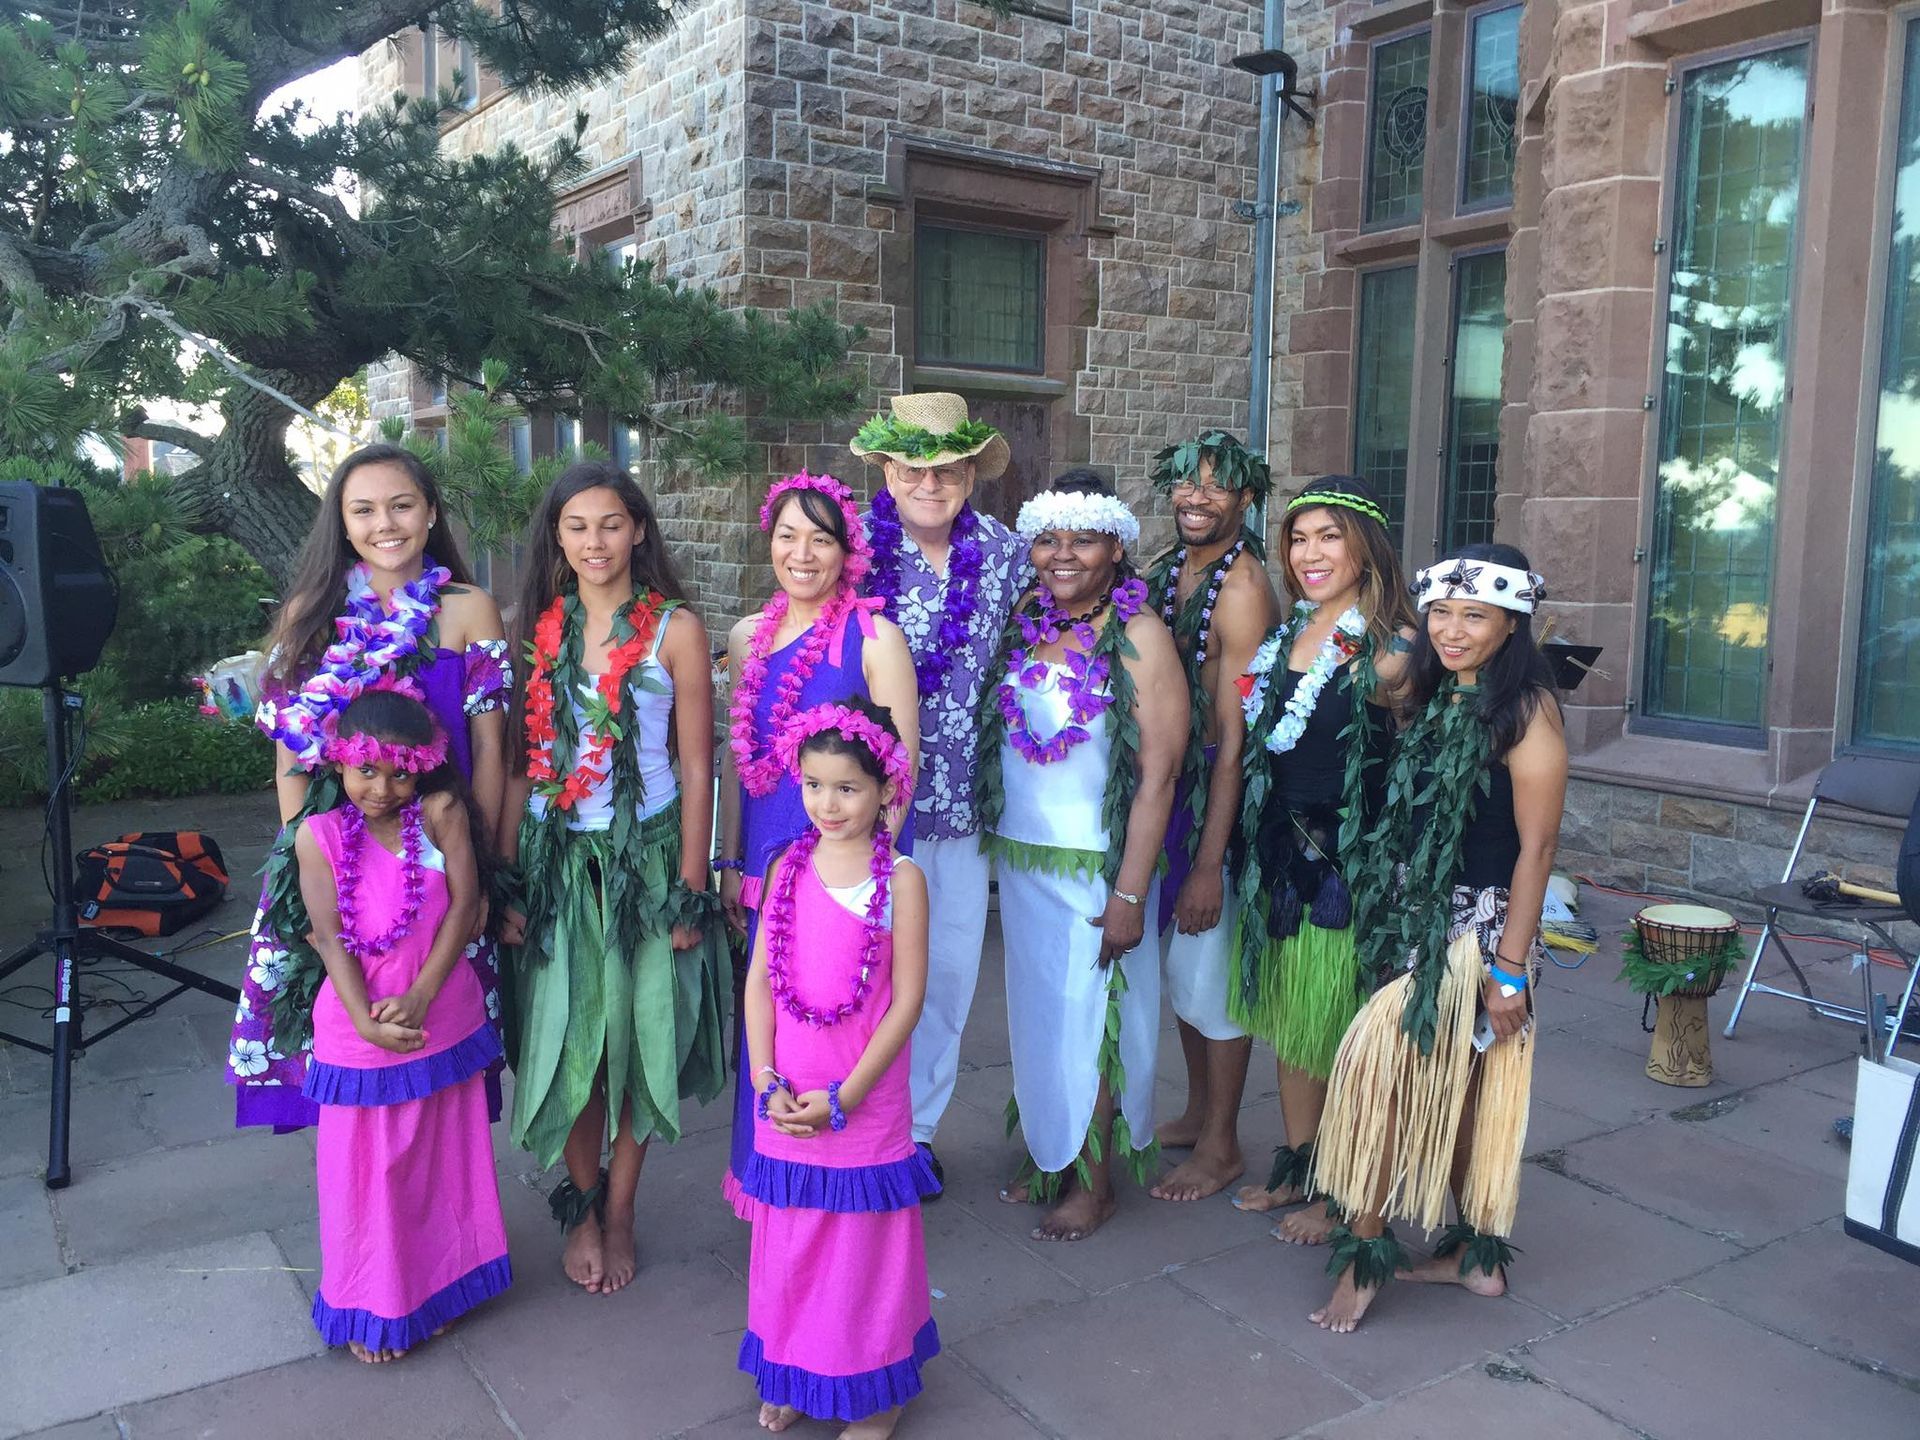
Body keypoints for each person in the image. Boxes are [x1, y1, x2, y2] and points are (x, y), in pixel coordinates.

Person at [1308, 543, 1567, 1333]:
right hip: (1410, 911)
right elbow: (1362, 660)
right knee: (1457, 1101)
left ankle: (1364, 1256)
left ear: (1514, 621)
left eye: (1475, 615)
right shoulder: (1430, 689)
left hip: (1478, 931)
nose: (1453, 630)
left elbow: (1539, 851)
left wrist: (1511, 972)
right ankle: (1476, 1259)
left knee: (1380, 1082)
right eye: (1442, 612)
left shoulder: (1527, 711)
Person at [228, 443, 509, 1132]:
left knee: (437, 1029)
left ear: (431, 513)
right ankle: (369, 1204)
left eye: (401, 505)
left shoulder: (470, 609)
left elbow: (492, 750)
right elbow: (292, 760)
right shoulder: (311, 612)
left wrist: (491, 875)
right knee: (349, 1035)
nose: (385, 523)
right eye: (364, 510)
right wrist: (305, 861)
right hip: (339, 862)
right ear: (344, 524)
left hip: (444, 861)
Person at [499, 462, 729, 1294]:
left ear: (638, 530)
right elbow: (522, 769)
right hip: (557, 860)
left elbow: (700, 763)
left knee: (638, 1041)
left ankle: (622, 1211)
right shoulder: (536, 629)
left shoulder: (677, 630)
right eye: (576, 527)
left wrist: (690, 887)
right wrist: (506, 885)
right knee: (570, 1048)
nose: (595, 541)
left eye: (610, 524)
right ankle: (583, 1207)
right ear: (556, 540)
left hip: (648, 858)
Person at [978, 472, 1187, 1241]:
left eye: (1083, 539)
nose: (1061, 555)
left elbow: (1159, 774)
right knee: (1041, 1020)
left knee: (1095, 1018)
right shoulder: (1029, 617)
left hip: (1098, 866)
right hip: (1028, 866)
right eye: (1048, 539)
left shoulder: (1141, 637)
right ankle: (1053, 1154)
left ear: (1116, 547)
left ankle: (1094, 1182)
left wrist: (1131, 894)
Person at [718, 471, 920, 1213]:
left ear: (848, 551)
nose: (803, 554)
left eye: (822, 538)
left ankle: (841, 1182)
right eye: (787, 536)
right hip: (770, 867)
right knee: (768, 1020)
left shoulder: (874, 639)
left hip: (844, 877)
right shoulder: (747, 638)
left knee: (836, 1022)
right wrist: (734, 866)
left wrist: (867, 891)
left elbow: (900, 774)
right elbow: (738, 767)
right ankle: (770, 1186)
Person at [738, 698, 937, 1440]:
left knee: (859, 1246)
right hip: (785, 1091)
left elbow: (907, 1001)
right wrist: (764, 1078)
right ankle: (793, 1365)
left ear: (887, 788)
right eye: (814, 785)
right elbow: (759, 981)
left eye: (847, 788)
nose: (827, 803)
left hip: (859, 1097)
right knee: (791, 1237)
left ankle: (876, 1385)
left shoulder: (903, 880)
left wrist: (844, 1097)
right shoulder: (788, 864)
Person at [296, 689, 510, 1363]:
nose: (381, 789)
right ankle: (372, 1302)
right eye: (365, 771)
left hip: (438, 1011)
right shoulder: (319, 836)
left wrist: (419, 997)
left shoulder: (440, 814)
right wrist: (365, 1021)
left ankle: (437, 1287)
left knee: (438, 1163)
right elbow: (329, 938)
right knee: (368, 1174)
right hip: (356, 1028)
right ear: (338, 765)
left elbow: (463, 907)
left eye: (399, 772)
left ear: (423, 766)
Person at [1229, 477, 1414, 1244]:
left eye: (1328, 537)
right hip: (1278, 853)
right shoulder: (1288, 636)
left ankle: (1347, 1188)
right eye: (1299, 539)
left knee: (1342, 1030)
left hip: (1348, 861)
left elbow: (1408, 712)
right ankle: (1302, 1166)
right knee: (1292, 1025)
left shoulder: (1394, 642)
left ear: (1365, 548)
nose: (1309, 553)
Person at [852, 392, 1030, 1185]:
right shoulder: (851, 547)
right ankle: (852, 1120)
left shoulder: (1004, 551)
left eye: (949, 470)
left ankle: (916, 1132)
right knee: (856, 967)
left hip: (959, 801)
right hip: (858, 805)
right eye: (914, 468)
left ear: (969, 477)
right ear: (887, 471)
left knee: (948, 971)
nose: (931, 484)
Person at [1142, 431, 1281, 1203]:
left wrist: (1207, 860)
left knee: (1214, 968)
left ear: (1246, 499)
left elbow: (1235, 739)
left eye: (1215, 487)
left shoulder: (1241, 589)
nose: (1196, 497)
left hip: (1221, 794)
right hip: (1181, 786)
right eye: (1185, 484)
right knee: (1184, 972)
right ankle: (1198, 1112)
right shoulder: (1178, 570)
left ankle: (1224, 1144)